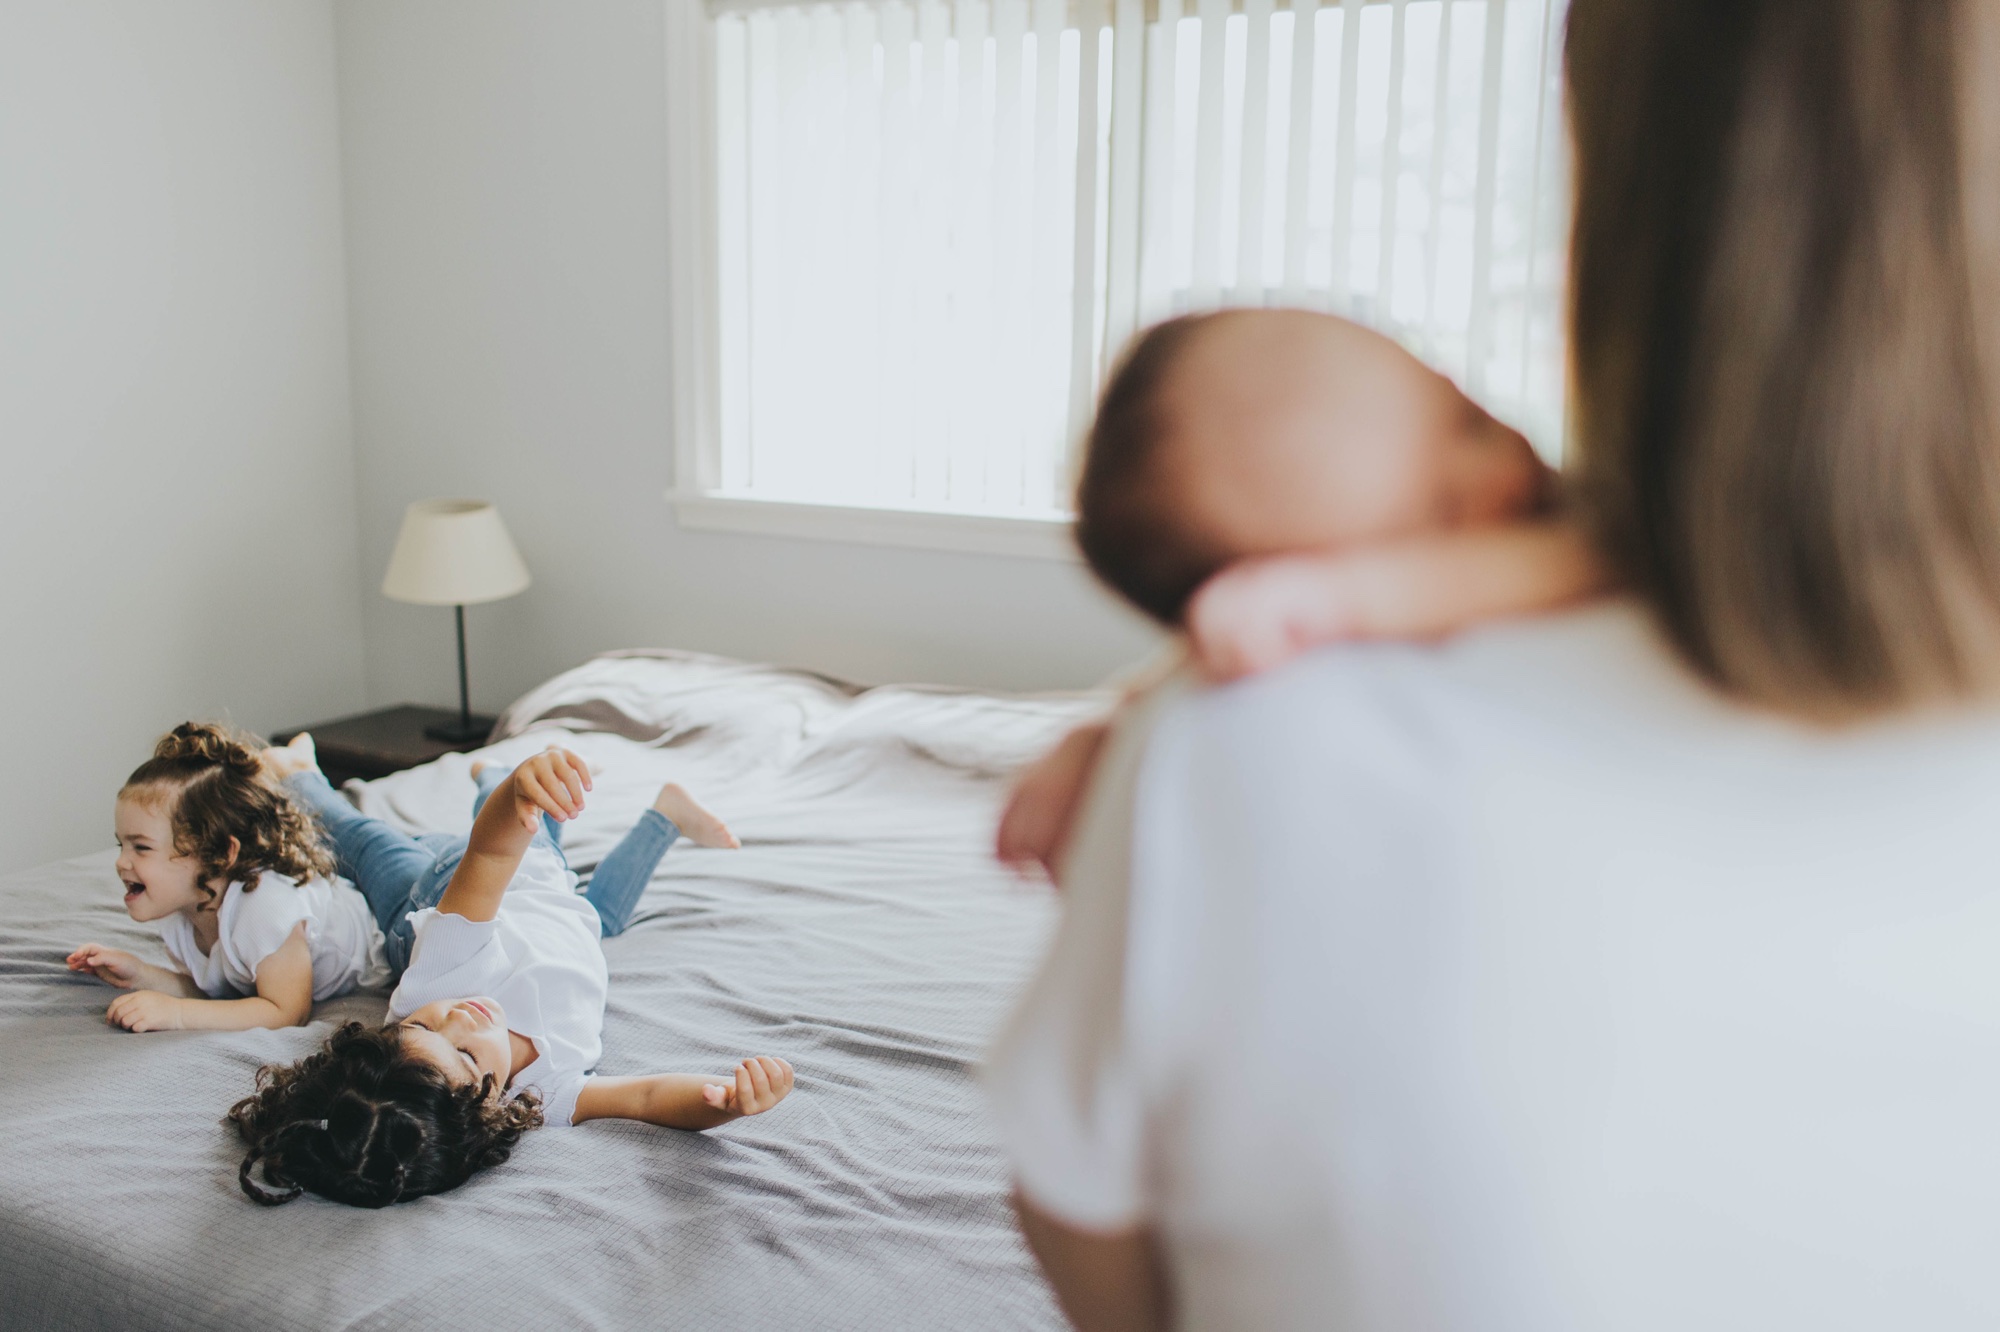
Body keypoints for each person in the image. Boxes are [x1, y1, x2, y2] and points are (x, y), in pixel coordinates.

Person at [987, 1, 2000, 1328]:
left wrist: (1190, 691)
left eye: (1467, 411)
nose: (1508, 471)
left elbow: (1082, 1217)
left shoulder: (1244, 752)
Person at [998, 308, 1604, 875]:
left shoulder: (1607, 518)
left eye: (1469, 419)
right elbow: (1214, 644)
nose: (1505, 470)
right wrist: (1119, 728)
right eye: (1443, 515)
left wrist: (1356, 594)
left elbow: (1607, 553)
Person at [233, 739, 794, 1208]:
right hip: (561, 916)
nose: (457, 1019)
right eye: (469, 1055)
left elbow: (494, 855)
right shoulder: (539, 1097)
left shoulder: (443, 979)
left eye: (423, 1030)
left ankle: (300, 772)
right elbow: (646, 1099)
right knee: (599, 909)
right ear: (493, 1110)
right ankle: (659, 815)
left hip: (451, 891)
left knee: (361, 840)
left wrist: (519, 791)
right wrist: (721, 1102)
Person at [66, 722, 389, 1032]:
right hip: (332, 888)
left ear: (219, 855)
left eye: (142, 847)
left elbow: (287, 1011)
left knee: (366, 839)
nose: (122, 862)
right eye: (121, 844)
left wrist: (177, 1014)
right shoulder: (182, 907)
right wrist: (139, 974)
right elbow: (214, 991)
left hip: (390, 921)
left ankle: (297, 770)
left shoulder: (267, 907)